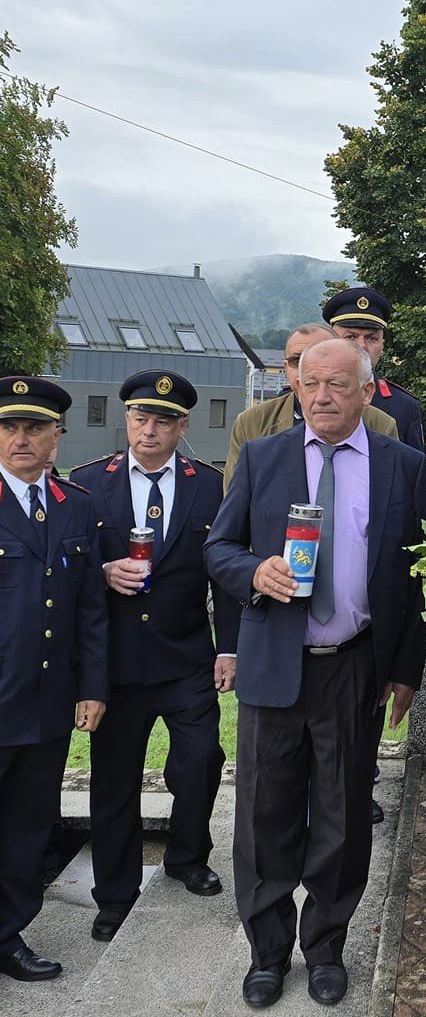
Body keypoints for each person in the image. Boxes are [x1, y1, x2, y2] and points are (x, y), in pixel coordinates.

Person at [206, 339, 426, 1009]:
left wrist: (405, 670)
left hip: (355, 665)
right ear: (296, 388)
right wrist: (255, 572)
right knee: (264, 815)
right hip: (276, 661)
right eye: (310, 383)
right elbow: (218, 548)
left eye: (337, 384)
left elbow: (419, 571)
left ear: (367, 390)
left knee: (343, 815)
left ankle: (326, 946)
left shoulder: (402, 465)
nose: (322, 396)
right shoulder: (263, 457)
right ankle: (268, 953)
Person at [70, 372, 241, 940]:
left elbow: (225, 572)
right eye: (140, 418)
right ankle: (114, 895)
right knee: (113, 784)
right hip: (115, 664)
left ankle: (187, 857)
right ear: (126, 419)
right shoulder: (88, 483)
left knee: (201, 762)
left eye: (163, 421)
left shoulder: (209, 486)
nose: (150, 430)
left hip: (187, 656)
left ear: (182, 426)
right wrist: (101, 571)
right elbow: (66, 566)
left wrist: (229, 647)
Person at [0, 377, 107, 981]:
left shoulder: (77, 505)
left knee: (28, 824)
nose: (22, 439)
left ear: (56, 437)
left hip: (46, 700)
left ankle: (8, 934)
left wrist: (91, 687)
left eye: (35, 428)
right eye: (9, 427)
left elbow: (89, 607)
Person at [224, 322, 397, 488]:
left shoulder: (379, 424)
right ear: (286, 367)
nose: (306, 367)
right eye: (296, 360)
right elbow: (237, 496)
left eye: (321, 357)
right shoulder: (252, 422)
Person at [322, 285, 425, 451]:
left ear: (382, 345)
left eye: (372, 338)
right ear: (330, 341)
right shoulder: (305, 397)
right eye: (351, 337)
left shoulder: (404, 406)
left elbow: (413, 465)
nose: (362, 346)